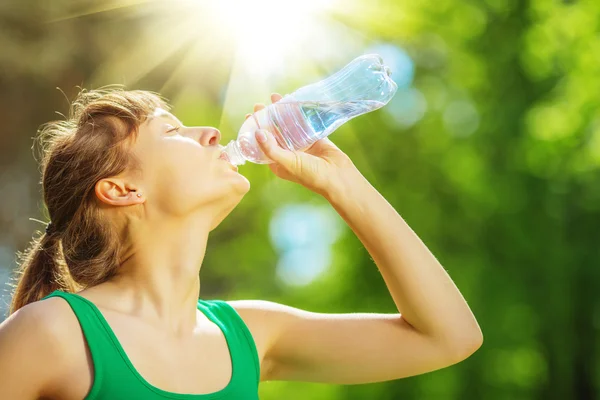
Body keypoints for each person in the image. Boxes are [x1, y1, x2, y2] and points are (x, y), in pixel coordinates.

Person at [0, 88, 482, 400]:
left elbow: (449, 337)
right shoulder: (52, 333)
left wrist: (344, 184)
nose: (211, 132)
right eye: (171, 130)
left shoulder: (248, 335)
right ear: (123, 189)